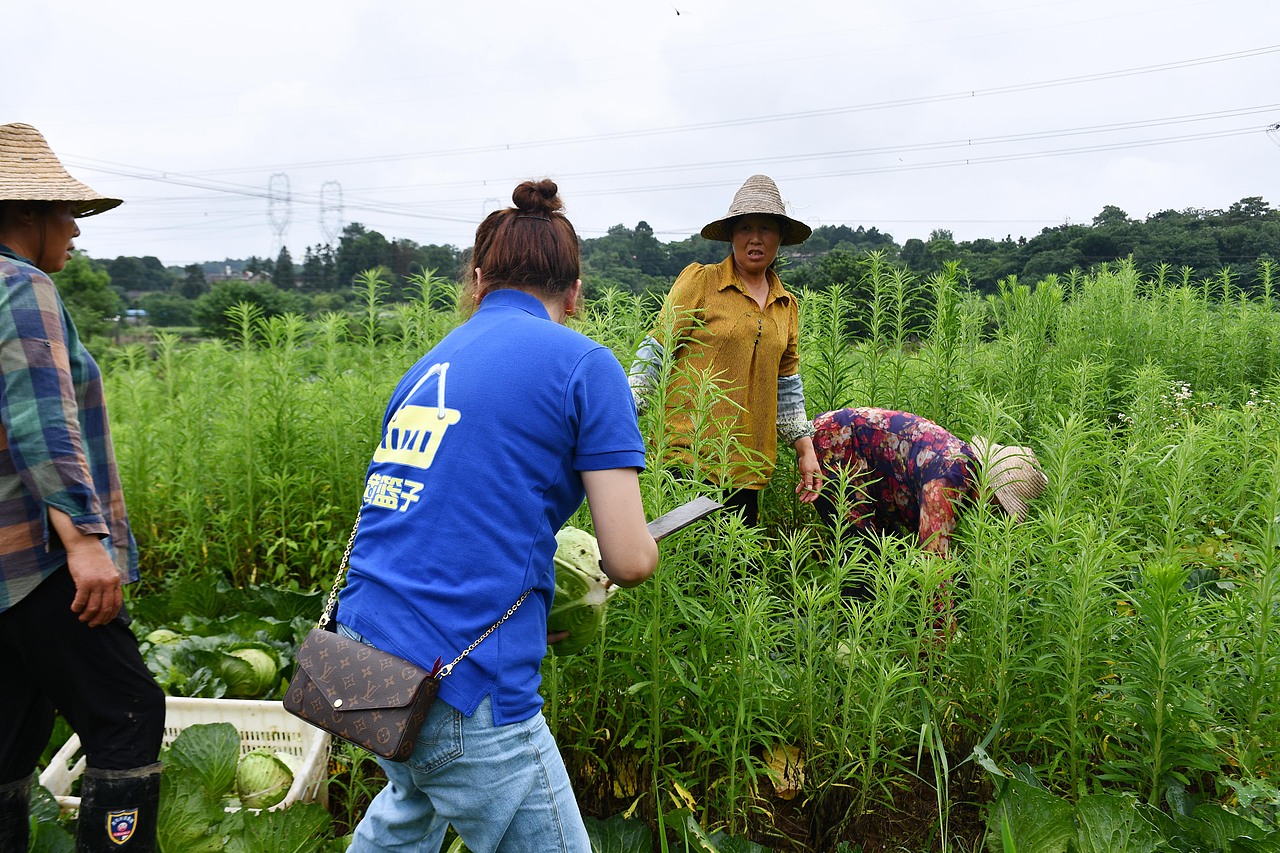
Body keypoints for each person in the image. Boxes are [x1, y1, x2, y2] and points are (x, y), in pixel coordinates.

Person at [335, 179, 658, 852]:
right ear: (575, 293)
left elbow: (440, 510)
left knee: (410, 805)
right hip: (460, 680)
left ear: (479, 281)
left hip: (364, 662)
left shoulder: (428, 366)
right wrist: (588, 583)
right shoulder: (586, 366)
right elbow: (629, 557)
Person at [0, 123, 165, 852]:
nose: (73, 228)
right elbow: (41, 421)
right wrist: (88, 542)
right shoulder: (21, 285)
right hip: (36, 557)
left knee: (10, 728)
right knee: (126, 710)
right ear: (25, 213)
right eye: (64, 213)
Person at [628, 174, 822, 526]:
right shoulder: (702, 282)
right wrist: (624, 410)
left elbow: (788, 384)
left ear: (780, 238)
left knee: (733, 570)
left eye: (766, 228)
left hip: (747, 462)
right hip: (688, 453)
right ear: (732, 235)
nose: (755, 238)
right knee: (687, 566)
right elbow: (658, 348)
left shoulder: (786, 305)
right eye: (745, 227)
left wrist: (805, 450)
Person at [811, 407, 1048, 559]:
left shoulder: (962, 467)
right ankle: (852, 637)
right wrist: (943, 632)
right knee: (863, 557)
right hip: (836, 446)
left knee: (891, 553)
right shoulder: (949, 481)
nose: (995, 514)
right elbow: (932, 562)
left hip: (869, 471)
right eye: (999, 505)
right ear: (990, 487)